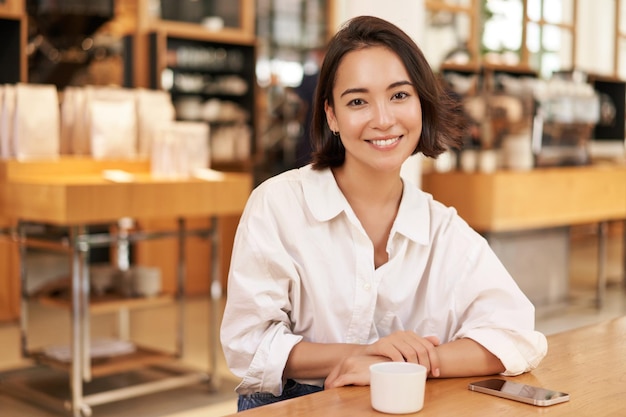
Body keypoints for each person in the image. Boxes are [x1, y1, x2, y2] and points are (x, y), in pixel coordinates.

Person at [220, 15, 547, 412]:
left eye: (399, 95)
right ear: (332, 116)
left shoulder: (442, 228)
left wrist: (404, 365)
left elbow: (518, 338)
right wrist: (359, 353)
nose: (383, 119)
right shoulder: (278, 205)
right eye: (358, 101)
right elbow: (248, 345)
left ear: (422, 105)